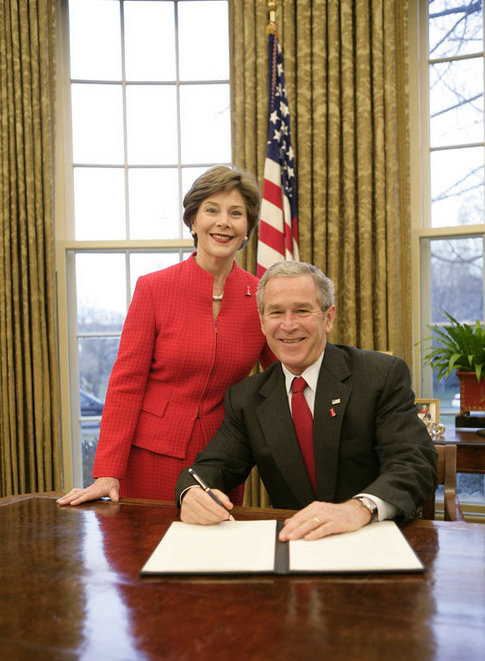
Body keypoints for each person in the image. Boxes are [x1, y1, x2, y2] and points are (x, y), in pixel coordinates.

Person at [57, 165, 275, 507]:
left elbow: (287, 374)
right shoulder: (154, 288)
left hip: (223, 459)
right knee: (145, 554)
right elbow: (126, 384)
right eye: (211, 210)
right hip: (150, 457)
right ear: (193, 221)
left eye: (236, 213)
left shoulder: (263, 296)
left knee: (218, 557)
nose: (224, 222)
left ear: (247, 228)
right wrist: (107, 471)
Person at [176, 261, 438, 540]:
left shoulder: (380, 376)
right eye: (276, 312)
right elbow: (210, 468)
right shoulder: (246, 398)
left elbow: (415, 463)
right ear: (263, 321)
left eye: (302, 311)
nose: (288, 325)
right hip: (295, 545)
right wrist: (191, 492)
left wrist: (359, 508)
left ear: (328, 317)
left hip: (370, 537)